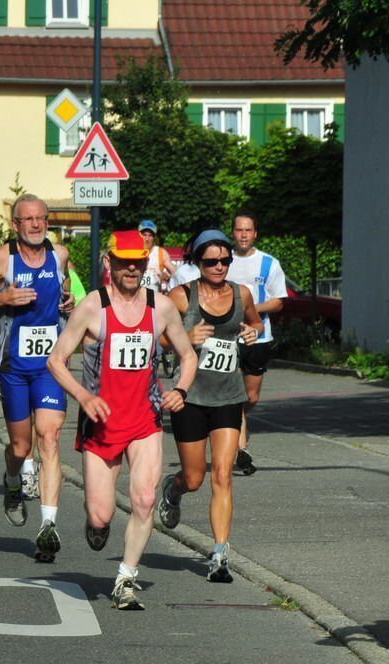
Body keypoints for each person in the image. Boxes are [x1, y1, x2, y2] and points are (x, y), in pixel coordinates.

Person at [48, 231, 197, 610]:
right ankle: (95, 524)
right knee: (101, 514)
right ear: (109, 263)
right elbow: (56, 360)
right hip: (100, 422)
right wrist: (83, 396)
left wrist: (180, 390)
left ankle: (125, 579)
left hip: (145, 418)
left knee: (145, 499)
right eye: (123, 262)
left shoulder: (160, 307)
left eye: (137, 262)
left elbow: (188, 354)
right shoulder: (92, 307)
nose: (131, 269)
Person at [0, 193, 74, 563]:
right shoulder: (2, 258)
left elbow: (67, 294)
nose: (37, 224)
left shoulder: (59, 255)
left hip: (50, 366)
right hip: (13, 368)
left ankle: (48, 526)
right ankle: (12, 482)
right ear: (16, 224)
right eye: (28, 219)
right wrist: (3, 298)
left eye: (42, 218)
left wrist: (68, 303)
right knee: (21, 447)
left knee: (50, 438)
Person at [157, 229, 263, 583]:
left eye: (224, 261)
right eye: (210, 261)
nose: (218, 267)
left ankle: (219, 555)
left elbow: (255, 320)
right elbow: (157, 336)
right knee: (194, 477)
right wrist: (184, 339)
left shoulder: (240, 293)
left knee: (222, 474)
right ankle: (172, 490)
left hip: (228, 397)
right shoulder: (182, 297)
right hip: (190, 398)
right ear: (197, 263)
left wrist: (252, 331)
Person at [228, 210, 286, 475]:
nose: (243, 235)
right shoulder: (222, 261)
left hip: (259, 335)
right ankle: (239, 446)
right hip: (226, 338)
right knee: (234, 395)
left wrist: (251, 308)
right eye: (239, 230)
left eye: (248, 230)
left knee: (250, 396)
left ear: (255, 233)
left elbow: (279, 301)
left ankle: (237, 421)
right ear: (233, 232)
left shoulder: (268, 263)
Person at [137, 220, 176, 292]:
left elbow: (176, 274)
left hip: (154, 298)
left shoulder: (161, 253)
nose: (147, 239)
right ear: (139, 235)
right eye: (144, 235)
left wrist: (168, 277)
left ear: (154, 237)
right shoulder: (132, 252)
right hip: (135, 297)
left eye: (150, 235)